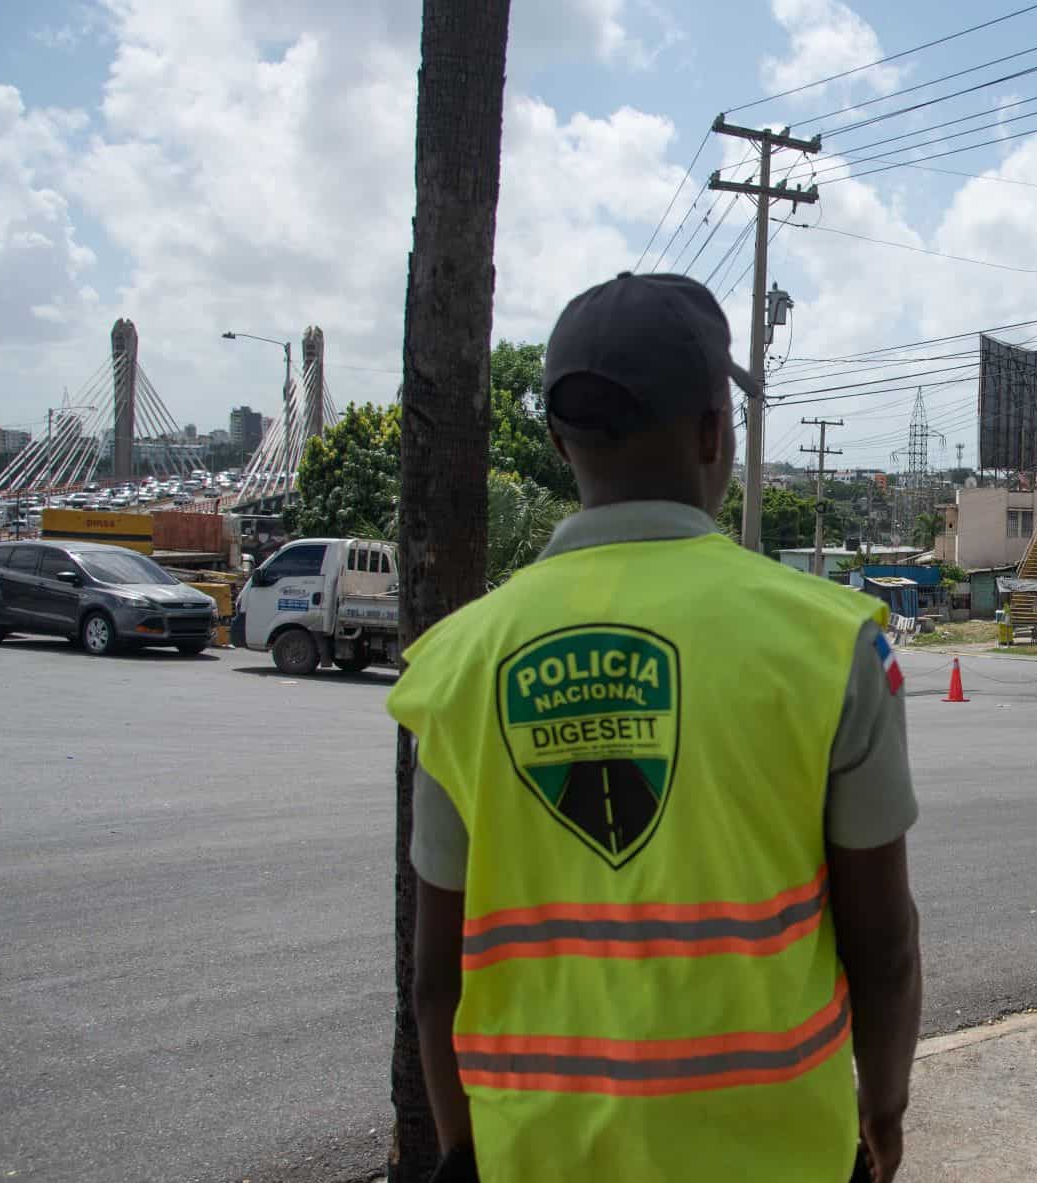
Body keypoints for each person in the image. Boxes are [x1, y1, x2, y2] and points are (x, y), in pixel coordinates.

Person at [388, 272, 923, 1183]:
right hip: (780, 1157)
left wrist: (461, 1151)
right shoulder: (832, 645)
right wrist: (884, 1105)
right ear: (716, 430)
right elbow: (885, 947)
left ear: (563, 443)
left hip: (533, 1158)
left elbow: (438, 977)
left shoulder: (455, 663)